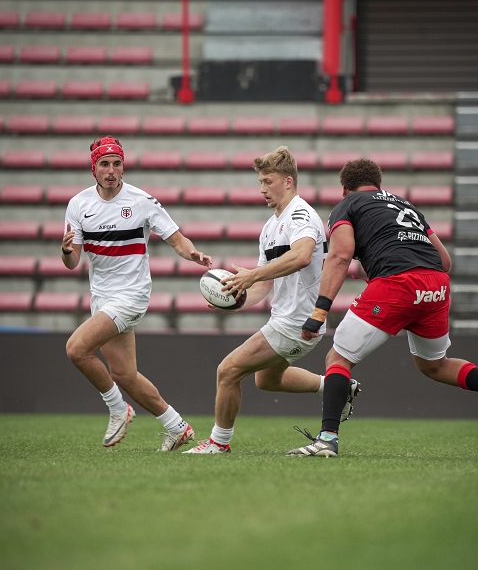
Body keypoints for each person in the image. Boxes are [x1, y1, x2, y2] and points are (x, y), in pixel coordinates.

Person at [287, 157, 478, 457]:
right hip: (436, 285)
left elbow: (339, 256)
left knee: (338, 357)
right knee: (434, 364)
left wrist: (320, 311)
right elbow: (445, 262)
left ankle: (327, 440)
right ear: (378, 184)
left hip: (397, 284)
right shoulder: (407, 206)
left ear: (344, 189)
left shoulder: (348, 205)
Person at [184, 145, 361, 454]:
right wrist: (235, 299)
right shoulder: (270, 228)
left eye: (268, 181)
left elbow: (303, 256)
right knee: (266, 380)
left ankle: (218, 442)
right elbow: (265, 283)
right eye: (260, 182)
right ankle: (336, 386)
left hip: (299, 321)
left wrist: (251, 274)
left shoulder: (302, 214)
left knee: (227, 371)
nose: (262, 189)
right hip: (285, 319)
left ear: (288, 181)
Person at [62, 136, 212, 451]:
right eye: (105, 164)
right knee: (124, 374)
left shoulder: (141, 201)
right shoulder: (78, 205)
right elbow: (73, 262)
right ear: (94, 168)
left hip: (131, 295)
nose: (112, 170)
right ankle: (177, 427)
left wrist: (193, 254)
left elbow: (176, 238)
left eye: (117, 163)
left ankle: (118, 409)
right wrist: (65, 252)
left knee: (76, 349)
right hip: (102, 297)